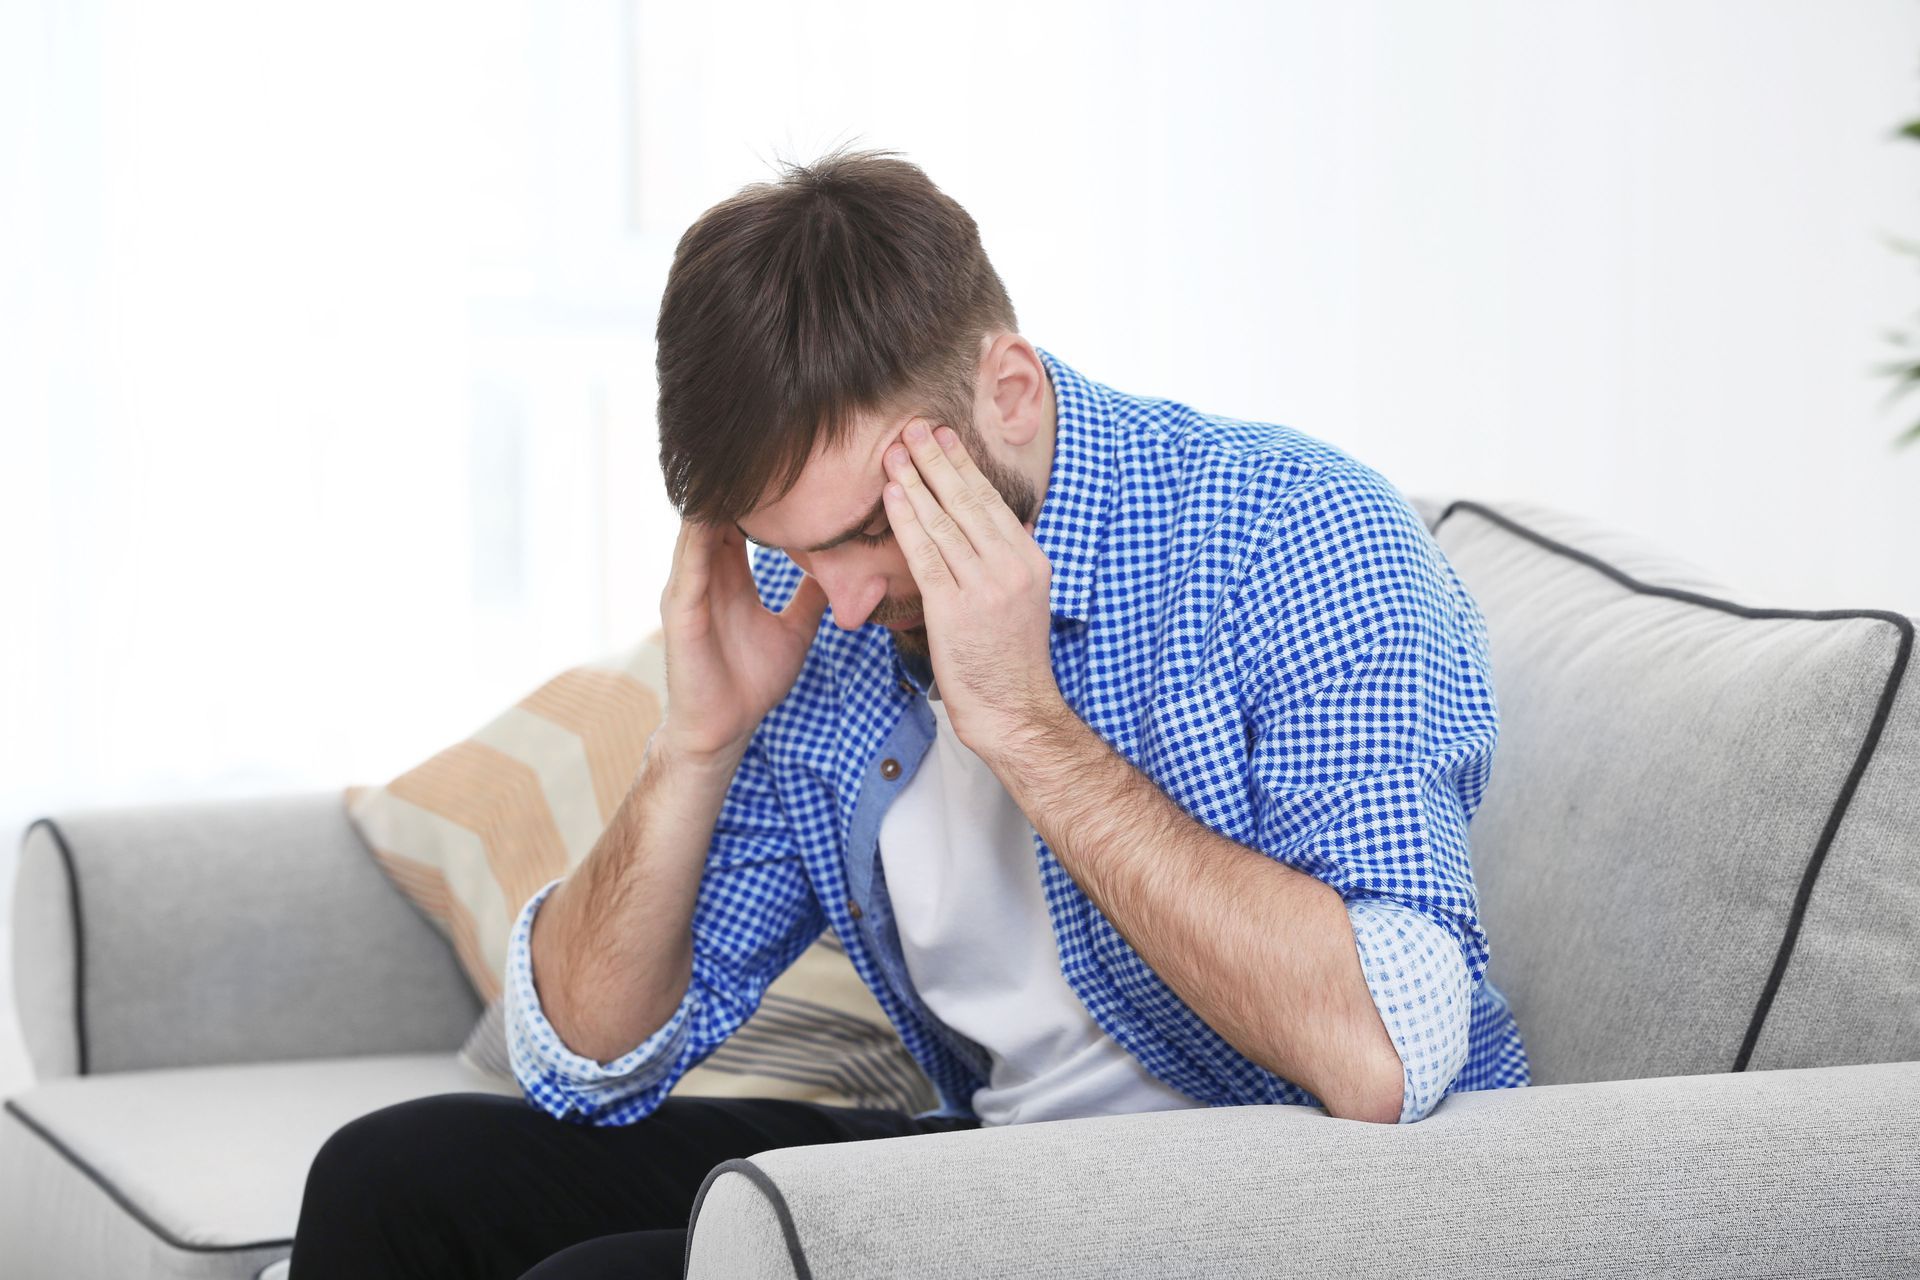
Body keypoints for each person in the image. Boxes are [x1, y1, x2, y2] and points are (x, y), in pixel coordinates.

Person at [288, 145, 1530, 1279]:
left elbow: (1385, 1054)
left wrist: (1026, 724)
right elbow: (587, 1058)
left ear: (1008, 391)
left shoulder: (1300, 537)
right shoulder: (823, 612)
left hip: (1269, 1196)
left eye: (870, 528)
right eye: (795, 547)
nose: (838, 598)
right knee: (395, 1178)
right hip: (992, 1171)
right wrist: (696, 742)